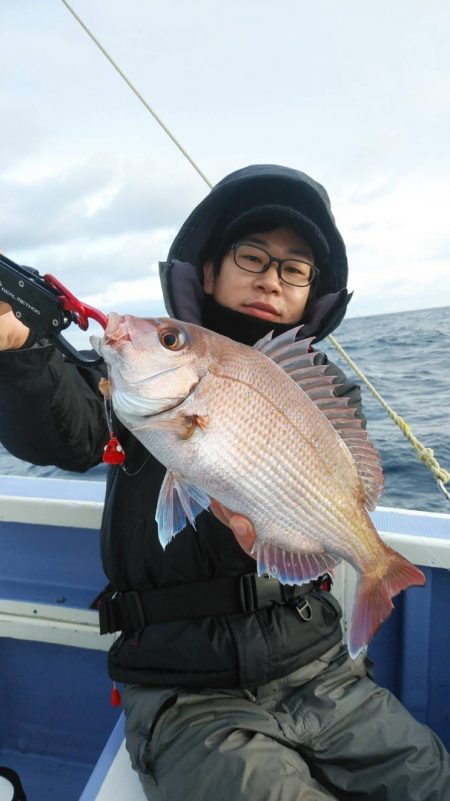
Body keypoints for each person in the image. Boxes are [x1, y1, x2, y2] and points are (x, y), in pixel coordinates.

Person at [0, 164, 449, 801]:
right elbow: (63, 433)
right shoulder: (133, 386)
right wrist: (21, 352)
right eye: (252, 256)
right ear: (207, 271)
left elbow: (330, 488)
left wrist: (302, 535)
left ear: (311, 292)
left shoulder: (324, 388)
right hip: (185, 690)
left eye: (294, 268)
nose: (271, 276)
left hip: (319, 667)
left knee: (428, 779)